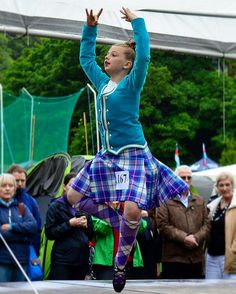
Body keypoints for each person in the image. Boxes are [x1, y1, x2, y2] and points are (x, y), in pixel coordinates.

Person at [67, 7, 187, 292]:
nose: (107, 56)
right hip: (107, 155)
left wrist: (138, 24)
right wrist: (90, 29)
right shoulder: (102, 83)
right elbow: (86, 58)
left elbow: (144, 55)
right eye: (107, 54)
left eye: (114, 54)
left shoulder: (133, 84)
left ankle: (121, 265)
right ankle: (119, 223)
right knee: (73, 196)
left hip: (133, 153)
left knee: (133, 211)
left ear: (128, 65)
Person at [156, 165, 210, 279]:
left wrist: (196, 237)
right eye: (182, 177)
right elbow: (162, 225)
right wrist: (184, 238)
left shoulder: (199, 200)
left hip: (195, 259)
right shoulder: (165, 199)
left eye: (189, 177)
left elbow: (207, 224)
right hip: (174, 259)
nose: (186, 180)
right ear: (175, 179)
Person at [45, 173, 93, 280]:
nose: (75, 189)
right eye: (72, 185)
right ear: (64, 187)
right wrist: (69, 224)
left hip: (81, 260)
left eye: (78, 186)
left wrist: (87, 225)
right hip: (62, 260)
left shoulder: (84, 207)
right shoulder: (55, 206)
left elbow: (91, 235)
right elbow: (50, 233)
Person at [92, 201, 146, 280]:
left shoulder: (128, 206)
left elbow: (142, 228)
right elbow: (100, 228)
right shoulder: (99, 206)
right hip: (107, 261)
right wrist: (112, 212)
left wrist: (135, 214)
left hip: (128, 259)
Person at [0, 173, 38, 282]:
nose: (7, 189)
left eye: (10, 186)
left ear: (15, 188)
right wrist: (22, 235)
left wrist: (12, 227)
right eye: (3, 186)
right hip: (2, 261)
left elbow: (33, 226)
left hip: (22, 260)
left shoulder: (22, 208)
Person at [206, 171, 236, 279]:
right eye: (221, 185)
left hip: (230, 257)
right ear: (217, 187)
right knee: (210, 290)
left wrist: (233, 251)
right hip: (211, 256)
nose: (224, 188)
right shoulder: (213, 205)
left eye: (227, 184)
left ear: (232, 185)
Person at [7, 164, 42, 256]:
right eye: (16, 180)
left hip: (25, 252)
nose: (19, 184)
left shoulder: (31, 202)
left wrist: (35, 253)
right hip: (4, 252)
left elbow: (37, 229)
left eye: (22, 181)